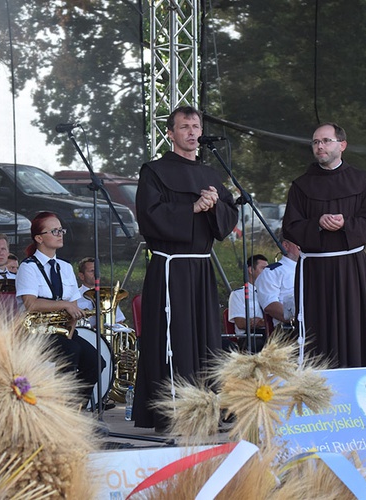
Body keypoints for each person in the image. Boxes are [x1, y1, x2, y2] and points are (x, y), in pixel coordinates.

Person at [133, 105, 238, 431]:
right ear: (171, 133)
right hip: (170, 269)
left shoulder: (210, 175)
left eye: (195, 126)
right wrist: (192, 207)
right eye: (184, 127)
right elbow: (149, 217)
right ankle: (174, 411)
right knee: (173, 338)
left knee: (205, 339)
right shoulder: (154, 171)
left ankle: (205, 409)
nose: (192, 132)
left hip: (201, 270)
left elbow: (228, 220)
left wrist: (215, 205)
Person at [282, 122, 366, 368]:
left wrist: (345, 224)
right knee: (318, 332)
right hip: (315, 273)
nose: (320, 146)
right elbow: (290, 227)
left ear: (342, 145)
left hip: (351, 268)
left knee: (353, 328)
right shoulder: (301, 185)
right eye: (316, 142)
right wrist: (317, 223)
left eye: (326, 141)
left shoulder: (361, 180)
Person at [16, 212, 101, 406]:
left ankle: (74, 408)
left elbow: (75, 306)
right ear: (39, 238)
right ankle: (59, 410)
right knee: (71, 353)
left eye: (60, 230)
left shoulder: (65, 267)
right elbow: (31, 304)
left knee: (96, 362)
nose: (60, 234)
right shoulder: (28, 267)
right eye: (54, 231)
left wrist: (70, 330)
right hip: (36, 333)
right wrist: (64, 305)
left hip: (62, 330)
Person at [227, 254, 268, 351]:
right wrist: (264, 323)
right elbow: (240, 323)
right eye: (263, 269)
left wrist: (261, 322)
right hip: (250, 337)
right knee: (257, 344)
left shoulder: (271, 292)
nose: (267, 273)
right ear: (250, 270)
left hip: (270, 333)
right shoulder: (238, 294)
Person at [256, 240, 300, 329]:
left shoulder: (314, 269)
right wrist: (300, 319)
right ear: (286, 246)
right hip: (290, 329)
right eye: (299, 243)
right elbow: (270, 305)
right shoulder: (272, 272)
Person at [75, 257, 126, 329]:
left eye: (97, 271)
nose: (96, 274)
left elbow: (119, 320)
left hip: (106, 337)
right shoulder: (74, 296)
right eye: (92, 271)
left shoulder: (107, 295)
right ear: (81, 276)